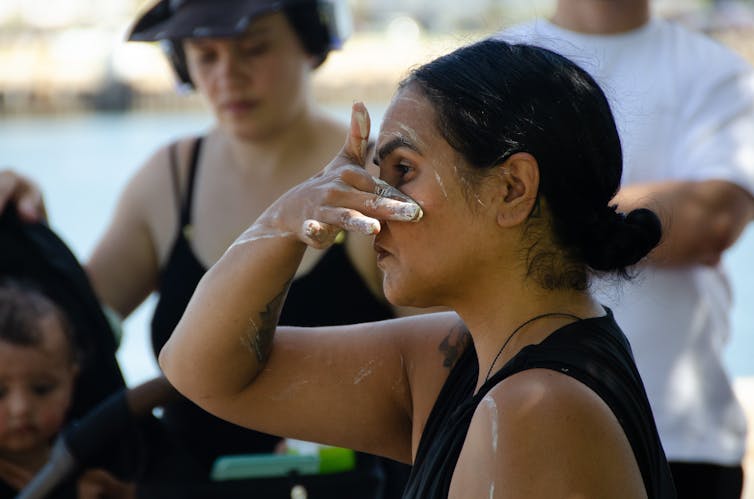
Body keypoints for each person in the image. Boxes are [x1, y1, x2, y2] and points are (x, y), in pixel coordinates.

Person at [158, 38, 677, 498]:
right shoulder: (459, 360)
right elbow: (203, 372)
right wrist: (288, 216)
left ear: (512, 189)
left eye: (403, 171)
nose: (372, 210)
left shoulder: (533, 409)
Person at [0, 0, 411, 496]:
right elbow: (66, 328)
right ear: (180, 62)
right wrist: (21, 230)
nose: (228, 75)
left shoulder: (377, 184)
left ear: (312, 41)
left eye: (254, 49)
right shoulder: (166, 180)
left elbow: (444, 362)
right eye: (204, 55)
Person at [497, 2, 754, 497]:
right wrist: (645, 208)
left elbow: (709, 221)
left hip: (679, 437)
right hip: (516, 420)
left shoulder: (719, 73)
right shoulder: (493, 65)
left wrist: (521, 214)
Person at [0, 280, 134, 499]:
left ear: (71, 379)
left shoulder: (110, 449)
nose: (21, 408)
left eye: (42, 389)